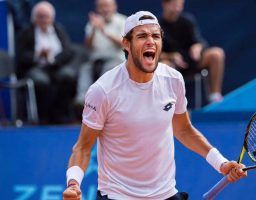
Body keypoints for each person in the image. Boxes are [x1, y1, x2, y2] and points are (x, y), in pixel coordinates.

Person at [63, 11, 246, 200]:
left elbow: (184, 130)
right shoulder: (103, 91)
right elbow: (83, 147)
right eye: (142, 36)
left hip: (166, 194)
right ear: (126, 44)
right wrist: (74, 184)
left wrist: (222, 164)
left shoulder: (173, 79)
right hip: (118, 195)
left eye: (156, 36)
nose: (151, 41)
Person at [16, 1, 76, 124]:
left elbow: (68, 51)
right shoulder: (26, 33)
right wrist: (37, 55)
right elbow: (21, 56)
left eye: (46, 16)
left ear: (52, 18)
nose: (43, 20)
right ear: (34, 18)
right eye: (40, 16)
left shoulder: (59, 30)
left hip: (57, 66)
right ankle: (43, 116)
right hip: (35, 67)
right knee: (40, 81)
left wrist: (53, 59)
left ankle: (61, 114)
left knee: (69, 76)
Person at [159, 0, 225, 104]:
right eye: (174, 5)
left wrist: (197, 47)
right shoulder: (157, 26)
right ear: (164, 4)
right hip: (172, 66)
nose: (177, 9)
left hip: (193, 62)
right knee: (163, 65)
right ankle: (168, 103)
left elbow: (201, 42)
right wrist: (171, 56)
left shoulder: (188, 20)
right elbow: (155, 54)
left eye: (180, 5)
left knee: (216, 54)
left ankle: (215, 96)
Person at [74, 0, 126, 107]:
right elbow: (88, 46)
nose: (105, 9)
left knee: (108, 70)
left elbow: (124, 43)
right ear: (97, 9)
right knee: (85, 69)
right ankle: (82, 101)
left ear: (114, 7)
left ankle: (103, 102)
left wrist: (104, 31)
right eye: (101, 7)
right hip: (95, 60)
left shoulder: (123, 21)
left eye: (107, 6)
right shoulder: (93, 22)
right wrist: (93, 29)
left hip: (116, 60)